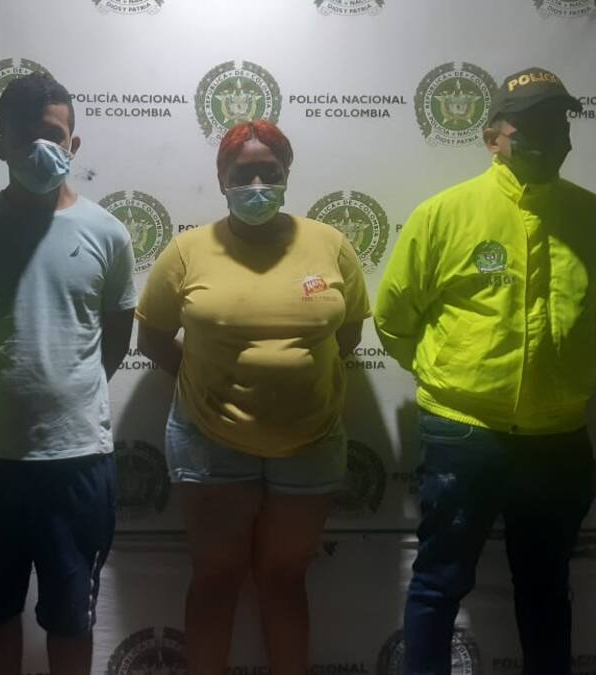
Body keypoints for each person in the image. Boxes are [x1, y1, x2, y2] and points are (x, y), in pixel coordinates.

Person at [374, 68, 596, 675]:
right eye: (531, 125)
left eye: (558, 123)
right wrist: (450, 377)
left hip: (557, 439)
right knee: (439, 582)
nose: (549, 136)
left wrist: (561, 385)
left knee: (546, 586)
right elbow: (393, 318)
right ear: (493, 138)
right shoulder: (443, 215)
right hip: (463, 434)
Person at [136, 120, 371, 674]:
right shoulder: (187, 250)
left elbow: (349, 333)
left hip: (310, 438)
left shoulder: (330, 245)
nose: (258, 184)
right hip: (210, 437)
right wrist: (210, 377)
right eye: (244, 174)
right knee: (216, 579)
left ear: (288, 173)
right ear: (222, 178)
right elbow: (151, 338)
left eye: (270, 171)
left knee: (285, 579)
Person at [0, 73, 136, 675]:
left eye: (54, 135)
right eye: (24, 138)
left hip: (76, 463)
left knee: (72, 623)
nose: (40, 148)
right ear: (0, 146)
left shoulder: (107, 232)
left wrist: (63, 395)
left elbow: (114, 342)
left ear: (75, 143)